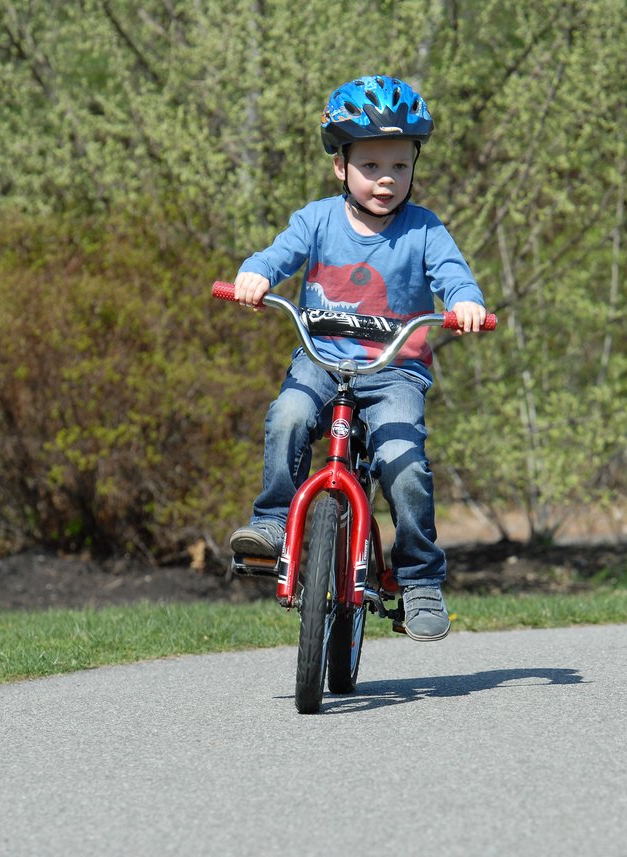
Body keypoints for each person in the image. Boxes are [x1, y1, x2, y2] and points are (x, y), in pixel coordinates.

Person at [228, 75, 487, 642]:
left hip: (393, 370)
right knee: (289, 416)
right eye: (371, 166)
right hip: (321, 359)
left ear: (415, 166)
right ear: (340, 167)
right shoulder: (317, 220)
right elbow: (279, 254)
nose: (386, 178)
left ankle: (419, 577)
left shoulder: (425, 230)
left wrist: (465, 302)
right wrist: (256, 275)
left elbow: (454, 276)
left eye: (399, 164)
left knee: (404, 464)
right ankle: (272, 524)